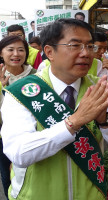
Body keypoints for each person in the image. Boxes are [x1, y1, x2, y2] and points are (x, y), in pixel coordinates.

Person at [1, 18, 108, 200]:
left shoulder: (101, 88)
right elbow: (18, 153)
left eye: (89, 46)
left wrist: (105, 121)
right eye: (75, 45)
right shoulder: (23, 91)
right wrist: (73, 122)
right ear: (49, 51)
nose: (86, 53)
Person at [0, 35, 36, 199]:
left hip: (32, 133)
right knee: (7, 176)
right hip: (3, 135)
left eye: (21, 50)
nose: (16, 54)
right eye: (10, 49)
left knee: (31, 174)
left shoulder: (37, 76)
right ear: (1, 53)